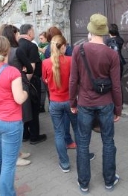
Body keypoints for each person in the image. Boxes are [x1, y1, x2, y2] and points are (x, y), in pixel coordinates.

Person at [69, 13, 122, 193]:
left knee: (83, 143)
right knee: (108, 141)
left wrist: (72, 102)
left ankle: (84, 183)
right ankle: (109, 180)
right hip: (106, 103)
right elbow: (116, 86)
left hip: (84, 103)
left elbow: (73, 80)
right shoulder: (111, 54)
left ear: (90, 30)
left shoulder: (79, 50)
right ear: (105, 32)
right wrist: (119, 109)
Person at [0, 35, 28, 196]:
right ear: (8, 49)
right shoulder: (12, 71)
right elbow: (19, 98)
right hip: (11, 122)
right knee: (9, 163)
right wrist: (25, 93)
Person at [0, 24, 33, 166]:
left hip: (6, 88)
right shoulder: (17, 51)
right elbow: (30, 68)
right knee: (19, 122)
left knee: (15, 121)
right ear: (13, 35)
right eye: (17, 34)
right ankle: (15, 156)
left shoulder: (1, 53)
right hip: (20, 86)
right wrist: (23, 68)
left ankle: (17, 152)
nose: (19, 36)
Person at [42, 35, 78, 172]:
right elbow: (76, 80)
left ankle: (64, 163)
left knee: (58, 133)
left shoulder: (45, 63)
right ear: (63, 46)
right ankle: (83, 157)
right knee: (78, 131)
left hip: (55, 102)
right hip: (70, 101)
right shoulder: (70, 60)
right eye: (66, 45)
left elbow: (45, 80)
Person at [45, 26, 76, 149]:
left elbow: (45, 78)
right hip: (68, 95)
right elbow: (74, 75)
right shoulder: (69, 55)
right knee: (75, 126)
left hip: (54, 95)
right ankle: (69, 141)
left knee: (58, 130)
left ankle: (64, 162)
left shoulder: (47, 52)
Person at [17, 24, 47, 145]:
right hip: (31, 81)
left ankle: (25, 134)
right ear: (29, 32)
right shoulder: (31, 46)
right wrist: (27, 83)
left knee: (24, 108)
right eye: (33, 30)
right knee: (34, 109)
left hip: (18, 81)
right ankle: (34, 136)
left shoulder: (16, 45)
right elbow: (32, 67)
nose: (34, 32)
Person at [38, 31, 49, 112]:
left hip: (48, 70)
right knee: (42, 90)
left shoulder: (48, 46)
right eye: (39, 39)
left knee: (49, 89)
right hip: (41, 70)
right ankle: (41, 106)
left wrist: (37, 48)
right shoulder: (39, 46)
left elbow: (45, 52)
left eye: (42, 38)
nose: (40, 40)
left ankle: (51, 106)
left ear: (46, 38)